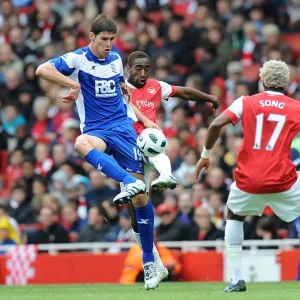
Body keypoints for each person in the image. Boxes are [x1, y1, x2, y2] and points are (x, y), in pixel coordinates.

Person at [36, 14, 163, 289]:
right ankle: (129, 183)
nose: (108, 44)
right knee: (81, 143)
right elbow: (41, 69)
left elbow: (124, 95)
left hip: (123, 128)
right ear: (91, 37)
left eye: (111, 39)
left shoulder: (117, 60)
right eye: (103, 39)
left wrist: (143, 119)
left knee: (140, 203)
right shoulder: (78, 59)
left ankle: (151, 262)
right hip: (96, 129)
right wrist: (72, 84)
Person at [194, 60, 300, 292]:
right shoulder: (296, 107)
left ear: (262, 81)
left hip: (248, 179)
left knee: (234, 216)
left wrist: (205, 155)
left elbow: (216, 124)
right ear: (288, 83)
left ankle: (236, 279)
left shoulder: (246, 101)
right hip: (283, 179)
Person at [126, 50, 219, 191]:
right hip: (127, 144)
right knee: (137, 197)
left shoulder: (155, 86)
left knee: (156, 145)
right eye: (138, 69)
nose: (143, 73)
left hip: (148, 140)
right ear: (128, 69)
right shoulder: (120, 90)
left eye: (146, 69)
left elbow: (184, 92)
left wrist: (210, 98)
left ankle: (166, 175)